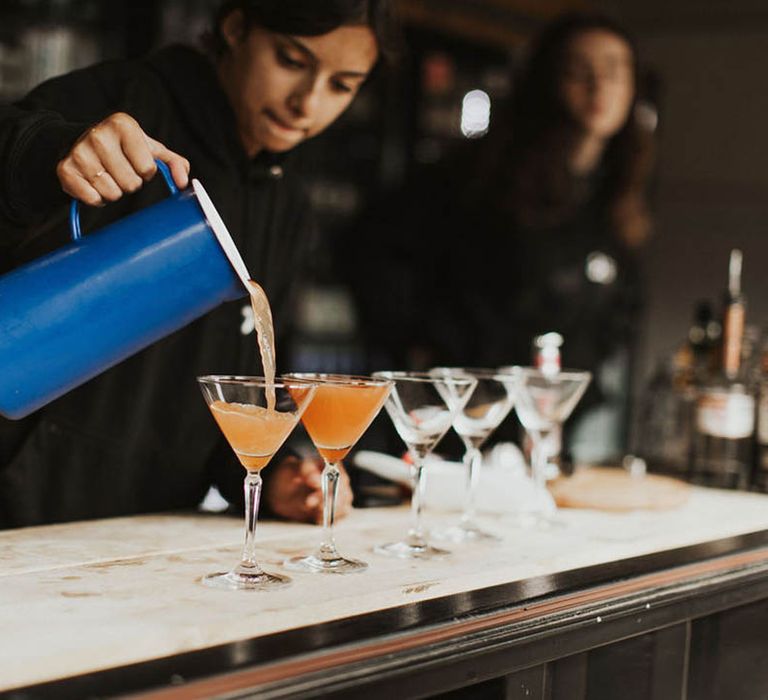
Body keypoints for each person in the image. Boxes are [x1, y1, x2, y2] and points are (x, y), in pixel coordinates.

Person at [0, 0, 398, 528]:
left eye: (341, 85)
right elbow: (13, 148)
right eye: (292, 61)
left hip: (154, 531)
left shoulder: (288, 202)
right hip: (19, 517)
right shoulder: (123, 102)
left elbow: (246, 383)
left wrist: (276, 471)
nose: (308, 102)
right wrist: (49, 152)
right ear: (236, 27)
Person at [341, 12, 654, 458]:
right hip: (455, 431)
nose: (598, 84)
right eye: (578, 69)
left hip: (550, 436)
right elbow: (368, 246)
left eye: (613, 69)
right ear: (547, 80)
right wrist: (418, 347)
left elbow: (621, 314)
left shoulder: (615, 194)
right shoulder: (481, 176)